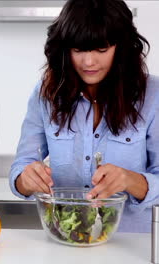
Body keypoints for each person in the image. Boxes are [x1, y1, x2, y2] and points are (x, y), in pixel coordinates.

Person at [9, 0, 158, 233]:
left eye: (101, 49)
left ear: (122, 47)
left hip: (133, 245)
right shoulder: (46, 93)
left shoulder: (153, 96)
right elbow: (22, 166)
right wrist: (25, 179)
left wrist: (130, 180)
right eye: (78, 50)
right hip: (66, 239)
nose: (88, 62)